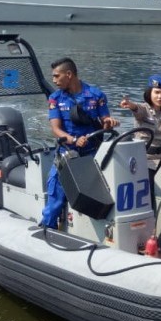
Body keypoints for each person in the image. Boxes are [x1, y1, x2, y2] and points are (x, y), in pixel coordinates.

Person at [40, 57, 119, 229]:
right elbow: (56, 129)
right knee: (56, 195)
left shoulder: (96, 95)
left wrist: (109, 122)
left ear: (69, 74)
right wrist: (74, 140)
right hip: (68, 153)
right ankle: (48, 226)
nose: (54, 80)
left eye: (56, 76)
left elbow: (104, 120)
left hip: (92, 153)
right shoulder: (55, 98)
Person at [119, 75, 161, 207]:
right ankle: (152, 223)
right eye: (157, 93)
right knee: (149, 193)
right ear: (150, 93)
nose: (160, 97)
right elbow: (136, 108)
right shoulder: (144, 109)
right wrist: (129, 104)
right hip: (145, 159)